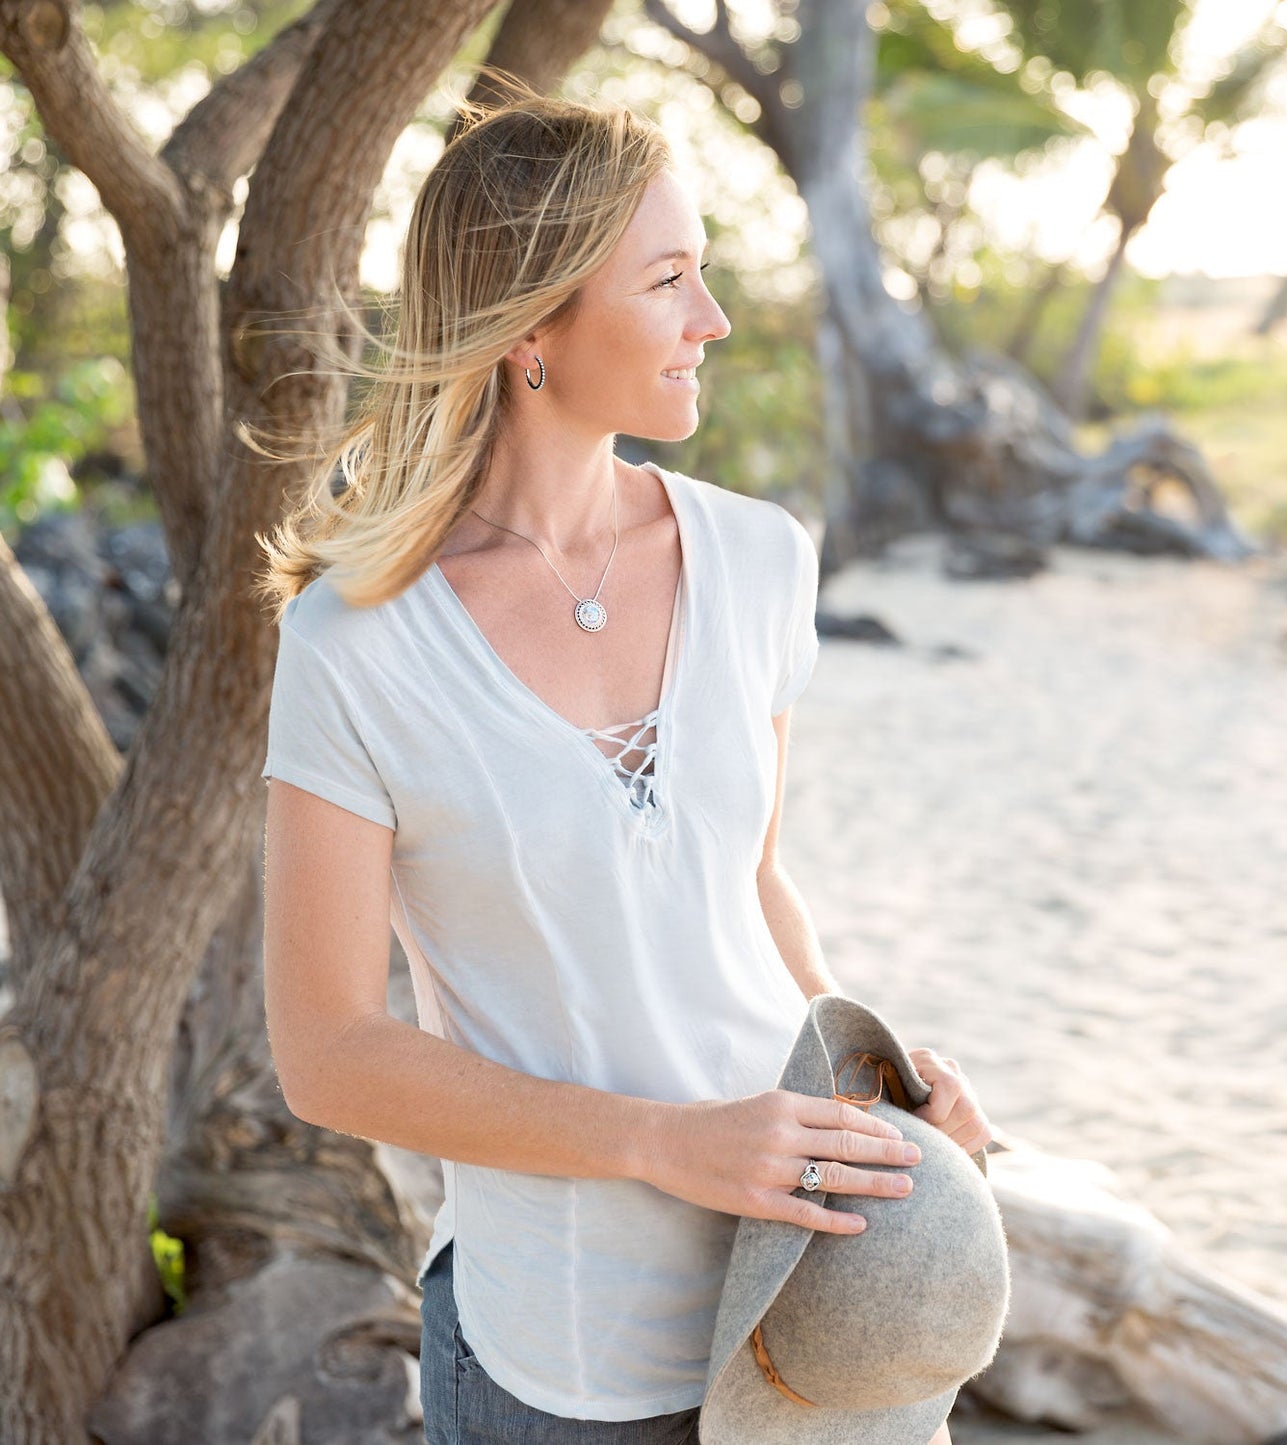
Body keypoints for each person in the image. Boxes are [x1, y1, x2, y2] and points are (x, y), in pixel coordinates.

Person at [256, 73, 992, 1445]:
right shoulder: (357, 642)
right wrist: (667, 1141)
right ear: (534, 323)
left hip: (804, 1302)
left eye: (703, 275)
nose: (710, 320)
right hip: (567, 1350)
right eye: (667, 281)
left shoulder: (760, 557)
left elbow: (750, 882)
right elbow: (329, 1054)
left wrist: (866, 1067)